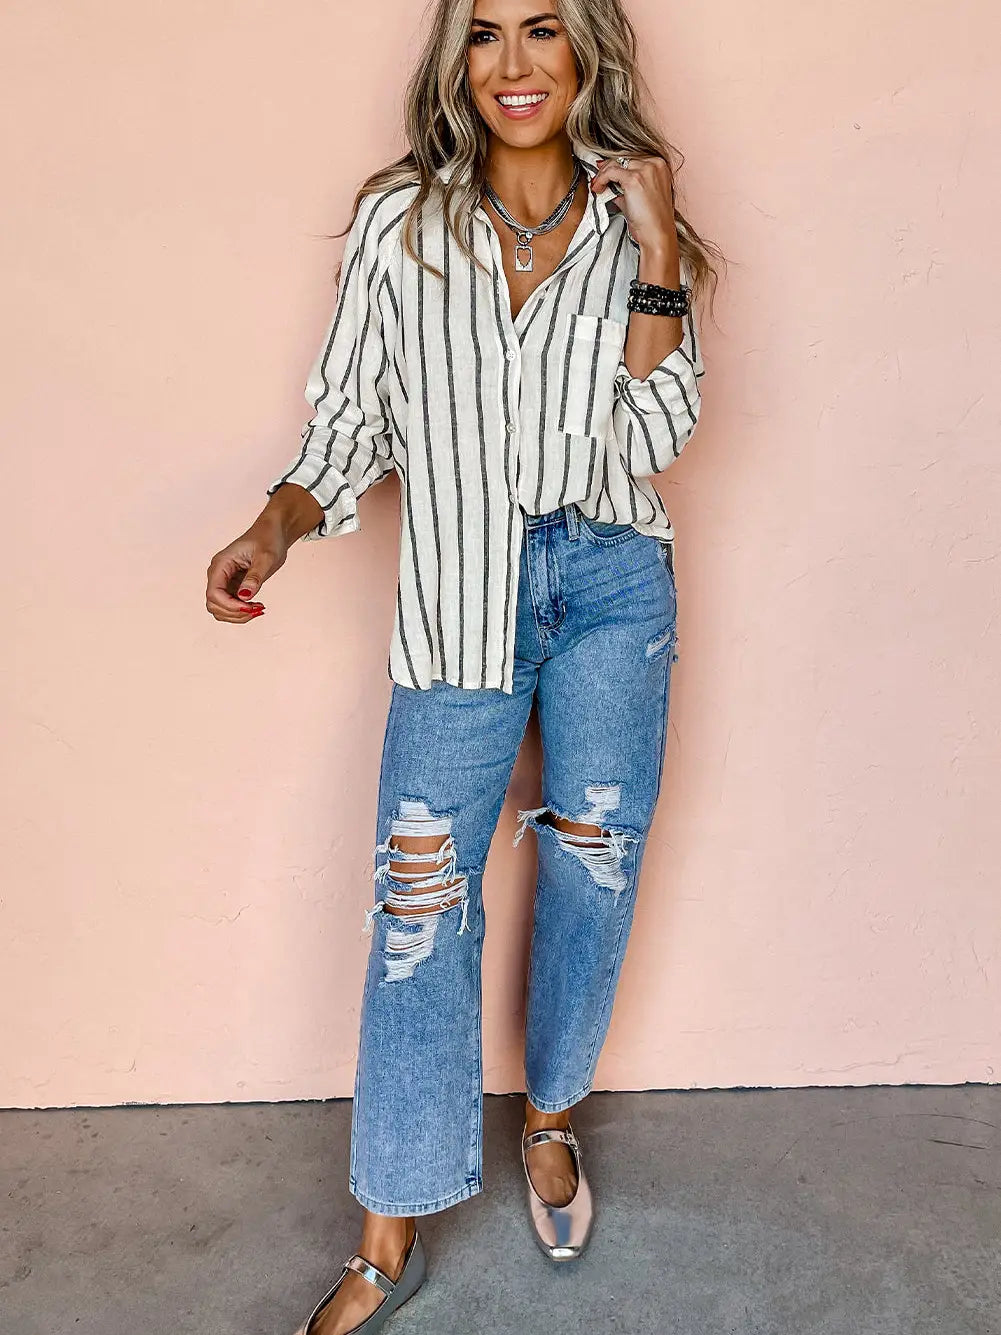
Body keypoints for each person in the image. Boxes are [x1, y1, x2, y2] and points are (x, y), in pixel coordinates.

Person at [205, 0, 720, 1330]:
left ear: (584, 54)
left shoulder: (628, 226)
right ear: (458, 63)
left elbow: (658, 430)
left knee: (593, 862)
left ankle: (549, 1119)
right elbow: (353, 423)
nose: (511, 64)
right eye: (484, 34)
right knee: (419, 908)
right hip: (457, 600)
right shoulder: (399, 224)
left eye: (541, 31)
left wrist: (657, 244)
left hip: (613, 582)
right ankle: (389, 1227)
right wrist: (274, 525)